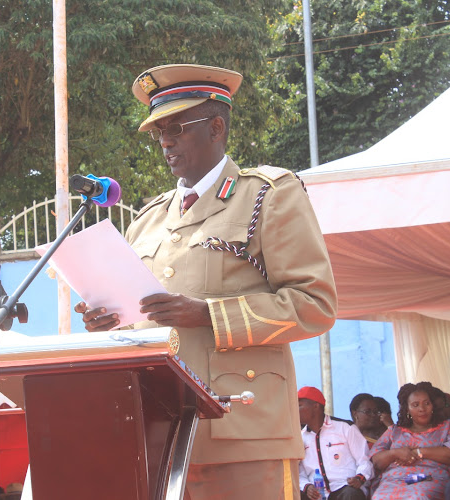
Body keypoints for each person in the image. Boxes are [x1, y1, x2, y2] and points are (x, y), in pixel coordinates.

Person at [75, 63, 338, 499]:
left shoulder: (269, 195)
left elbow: (315, 304)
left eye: (176, 127)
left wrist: (209, 315)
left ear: (216, 127)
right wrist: (108, 319)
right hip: (157, 432)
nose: (165, 141)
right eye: (159, 131)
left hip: (242, 430)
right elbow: (140, 319)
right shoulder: (148, 219)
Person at [369, 382, 450, 499]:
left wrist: (418, 452)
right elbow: (375, 462)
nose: (422, 409)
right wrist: (395, 453)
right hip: (394, 480)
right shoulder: (394, 431)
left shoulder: (447, 427)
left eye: (426, 403)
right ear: (407, 409)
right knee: (379, 497)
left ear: (433, 405)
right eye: (415, 405)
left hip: (429, 478)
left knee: (418, 496)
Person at [298, 387, 372, 500]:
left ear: (315, 406)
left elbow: (365, 461)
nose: (295, 410)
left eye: (300, 405)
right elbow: (298, 472)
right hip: (317, 495)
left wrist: (359, 478)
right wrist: (307, 487)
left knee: (351, 495)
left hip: (346, 489)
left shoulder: (345, 428)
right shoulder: (300, 438)